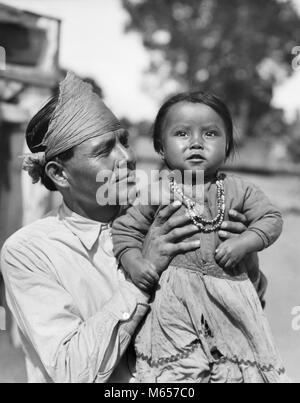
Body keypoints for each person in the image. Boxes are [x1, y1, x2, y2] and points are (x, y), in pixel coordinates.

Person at [0, 73, 250, 383]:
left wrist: (237, 261)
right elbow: (70, 371)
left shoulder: (167, 217)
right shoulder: (29, 251)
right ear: (59, 174)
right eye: (104, 151)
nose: (127, 158)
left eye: (124, 142)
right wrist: (139, 280)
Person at [112, 91, 289, 383]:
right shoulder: (154, 191)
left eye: (210, 133)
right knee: (179, 373)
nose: (196, 142)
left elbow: (271, 219)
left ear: (228, 144)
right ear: (160, 147)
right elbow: (125, 231)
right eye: (181, 133)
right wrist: (134, 262)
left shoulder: (240, 190)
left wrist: (245, 241)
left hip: (229, 298)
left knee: (238, 367)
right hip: (173, 304)